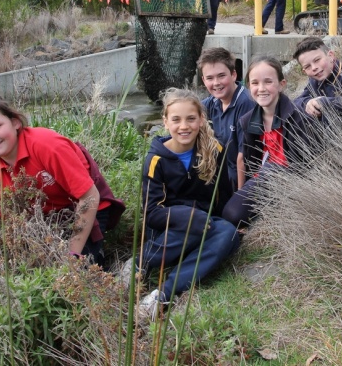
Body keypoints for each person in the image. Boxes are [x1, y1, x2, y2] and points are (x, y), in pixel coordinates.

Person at [0, 94, 125, 268]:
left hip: (86, 207)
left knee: (81, 269)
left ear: (15, 122)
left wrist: (73, 252)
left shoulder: (47, 145)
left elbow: (89, 196)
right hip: (47, 221)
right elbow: (15, 224)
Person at [127, 88, 239, 321]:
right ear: (165, 122)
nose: (184, 126)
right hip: (169, 232)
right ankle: (141, 263)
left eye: (190, 118)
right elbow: (151, 214)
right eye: (176, 120)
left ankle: (163, 294)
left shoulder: (214, 150)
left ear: (200, 119)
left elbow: (223, 195)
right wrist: (187, 216)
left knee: (228, 233)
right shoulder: (156, 159)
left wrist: (228, 223)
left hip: (204, 223)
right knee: (195, 225)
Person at [222, 56, 312, 226]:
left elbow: (305, 164)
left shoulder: (297, 116)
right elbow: (250, 161)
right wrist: (243, 190)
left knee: (268, 171)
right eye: (255, 83)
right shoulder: (248, 120)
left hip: (291, 178)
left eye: (268, 82)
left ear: (281, 84)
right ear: (248, 86)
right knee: (230, 214)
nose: (261, 88)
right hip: (263, 179)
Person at [198, 47, 256, 190]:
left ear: (234, 75)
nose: (216, 83)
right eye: (210, 78)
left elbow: (243, 158)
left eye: (221, 76)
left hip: (245, 178)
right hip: (221, 173)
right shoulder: (211, 102)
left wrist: (239, 196)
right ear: (203, 80)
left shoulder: (246, 103)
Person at [293, 36, 342, 122]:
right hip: (327, 131)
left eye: (317, 60)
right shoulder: (315, 80)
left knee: (328, 110)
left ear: (331, 56)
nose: (314, 68)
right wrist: (308, 103)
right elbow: (296, 102)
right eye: (307, 66)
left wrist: (324, 102)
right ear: (304, 72)